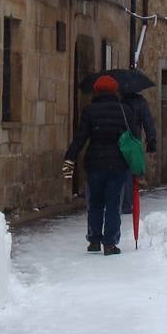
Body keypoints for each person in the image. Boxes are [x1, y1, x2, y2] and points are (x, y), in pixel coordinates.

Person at [62, 75, 130, 255]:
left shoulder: (89, 111)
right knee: (114, 204)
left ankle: (94, 240)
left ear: (96, 91)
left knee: (95, 203)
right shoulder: (124, 111)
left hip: (94, 164)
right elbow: (133, 137)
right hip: (118, 164)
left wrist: (70, 159)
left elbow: (80, 138)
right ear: (115, 90)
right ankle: (110, 243)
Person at [120, 90, 157, 214]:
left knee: (121, 170)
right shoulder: (141, 102)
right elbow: (148, 122)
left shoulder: (119, 101)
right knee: (130, 171)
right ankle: (127, 203)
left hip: (120, 140)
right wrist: (151, 140)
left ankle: (120, 201)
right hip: (134, 140)